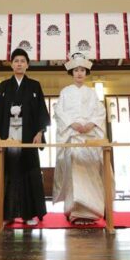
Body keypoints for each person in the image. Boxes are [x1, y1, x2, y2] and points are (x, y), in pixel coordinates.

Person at [0, 48, 50, 226]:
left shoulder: (34, 86)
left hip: (28, 136)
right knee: (8, 173)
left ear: (28, 64)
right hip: (7, 136)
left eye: (23, 61)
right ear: (11, 64)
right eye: (16, 61)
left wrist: (40, 133)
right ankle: (7, 214)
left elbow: (41, 112)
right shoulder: (4, 86)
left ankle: (29, 215)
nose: (19, 63)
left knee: (28, 173)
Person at [53, 53, 108, 225]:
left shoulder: (92, 93)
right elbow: (59, 112)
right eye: (76, 70)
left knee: (90, 172)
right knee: (74, 174)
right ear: (72, 72)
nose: (79, 73)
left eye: (82, 70)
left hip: (90, 139)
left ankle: (92, 211)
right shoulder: (65, 92)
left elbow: (100, 112)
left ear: (86, 73)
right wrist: (72, 124)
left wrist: (91, 124)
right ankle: (75, 212)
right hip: (73, 137)